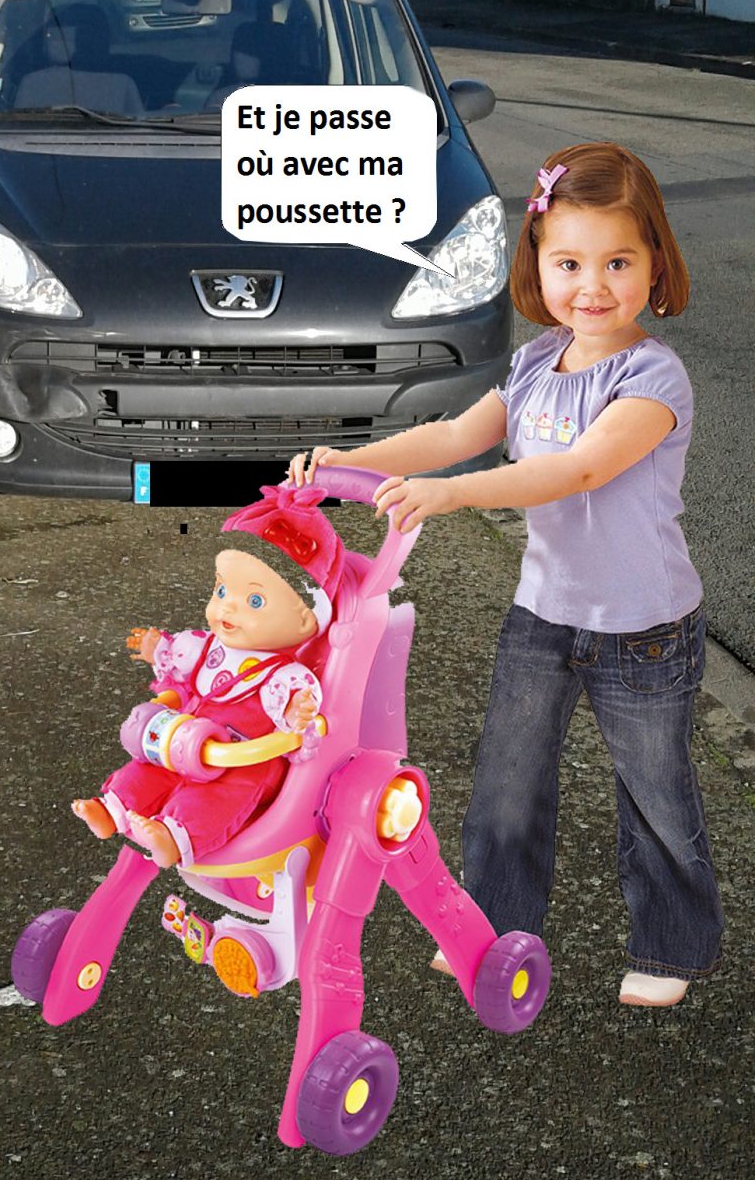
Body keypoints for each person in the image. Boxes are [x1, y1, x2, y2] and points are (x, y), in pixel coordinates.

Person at [288, 142, 723, 1008]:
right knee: (507, 780)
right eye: (569, 263)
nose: (592, 285)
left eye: (618, 262)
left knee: (655, 794)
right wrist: (350, 462)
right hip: (543, 614)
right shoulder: (532, 365)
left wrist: (453, 495)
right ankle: (486, 922)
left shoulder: (653, 376)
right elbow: (454, 435)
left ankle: (672, 945)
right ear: (538, 264)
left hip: (644, 627)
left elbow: (578, 469)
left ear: (655, 262)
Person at [72, 483, 345, 868]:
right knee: (149, 768)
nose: (227, 607)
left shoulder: (284, 675)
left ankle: (175, 836)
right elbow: (180, 665)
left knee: (218, 797)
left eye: (254, 601)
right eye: (221, 590)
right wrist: (158, 650)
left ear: (304, 620)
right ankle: (113, 809)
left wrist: (296, 710)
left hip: (242, 762)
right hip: (187, 740)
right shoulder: (205, 646)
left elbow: (298, 706)